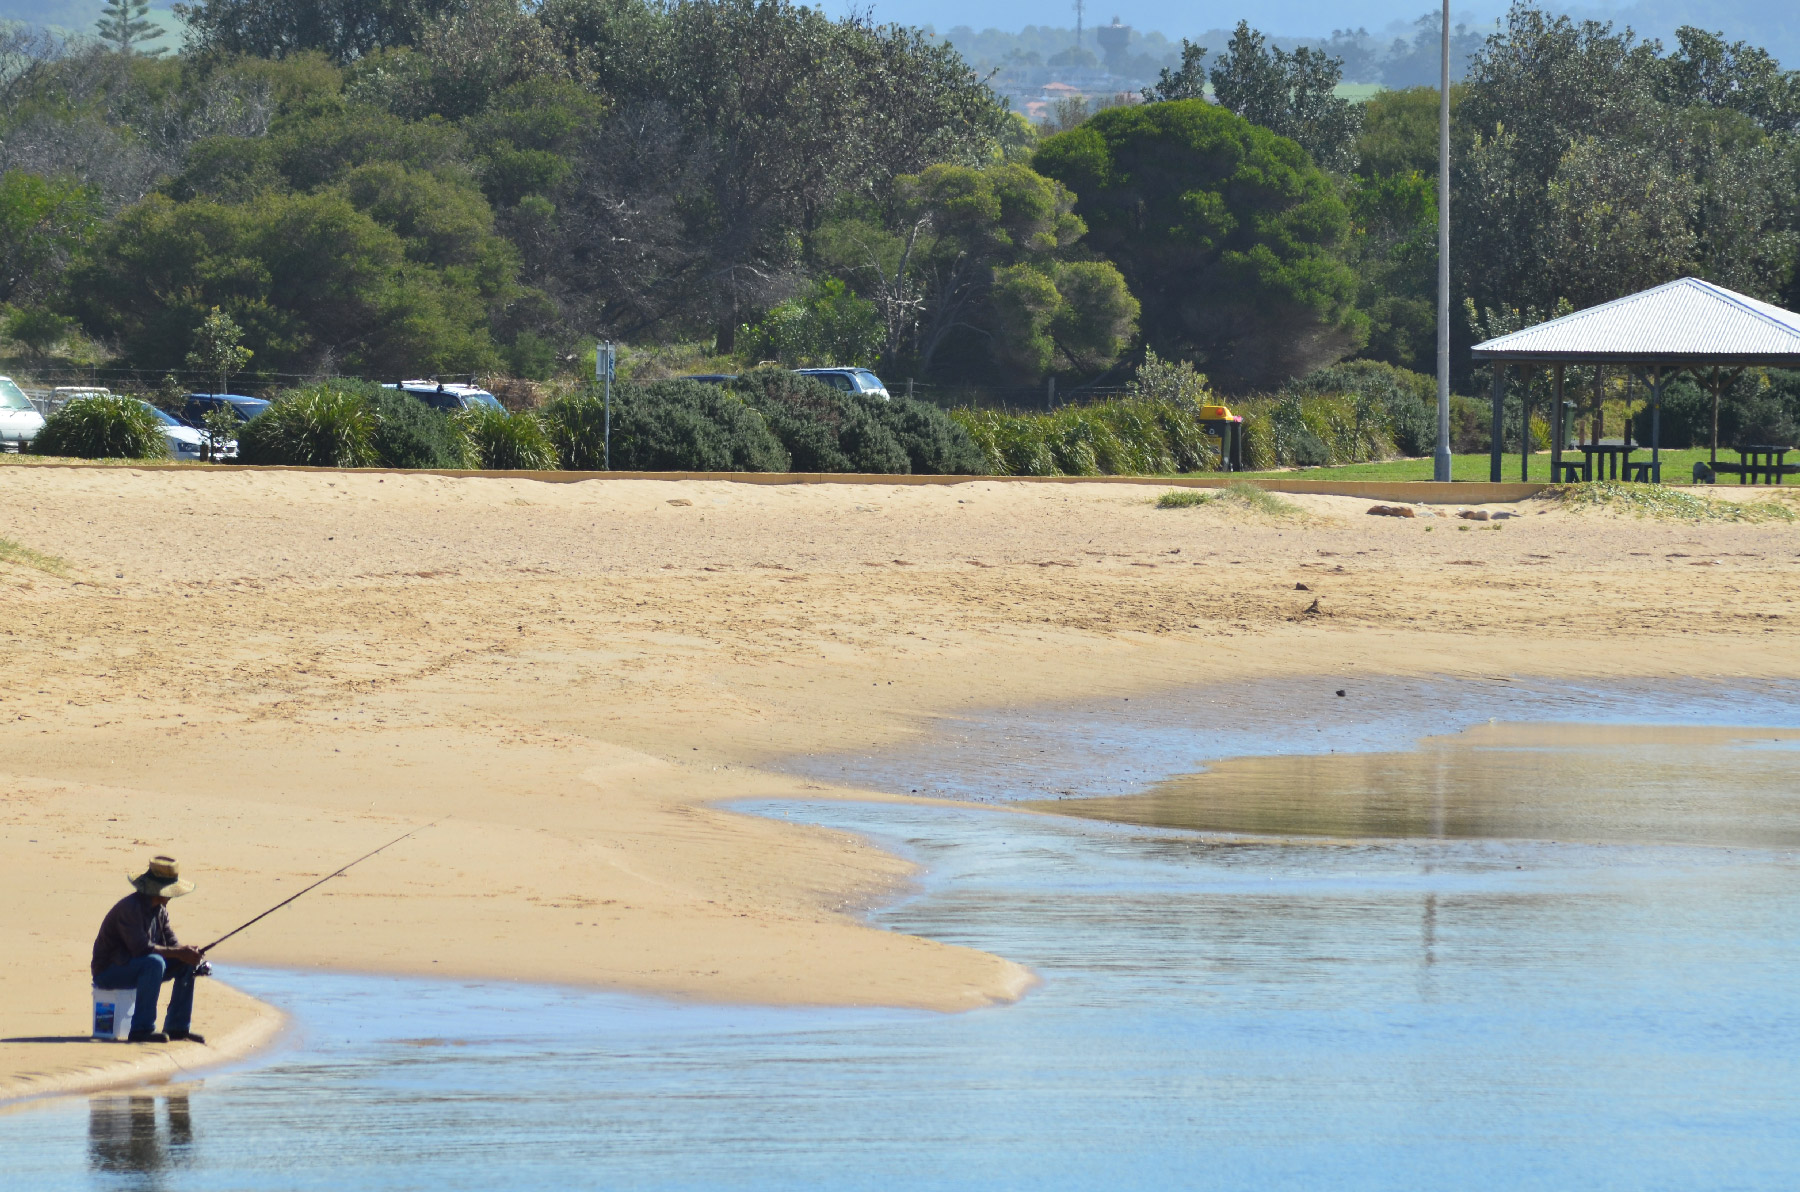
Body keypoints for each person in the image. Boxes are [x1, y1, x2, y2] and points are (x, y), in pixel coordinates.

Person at [92, 855, 207, 1044]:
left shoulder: (160, 909)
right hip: (109, 971)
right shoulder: (130, 908)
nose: (171, 896)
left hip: (136, 965)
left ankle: (177, 1027)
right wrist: (179, 952)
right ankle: (141, 1029)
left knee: (185, 963)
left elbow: (171, 943)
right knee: (154, 963)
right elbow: (140, 949)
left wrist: (188, 953)